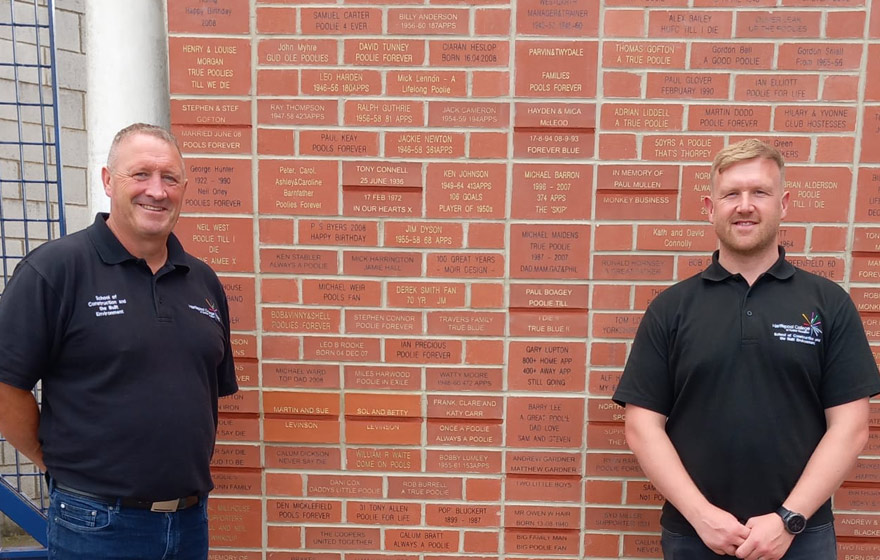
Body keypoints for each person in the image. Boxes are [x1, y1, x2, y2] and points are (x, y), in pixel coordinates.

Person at [613, 138, 880, 560]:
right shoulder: (671, 308)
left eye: (760, 192)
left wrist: (788, 518)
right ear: (710, 206)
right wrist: (702, 517)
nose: (744, 205)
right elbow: (641, 426)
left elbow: (850, 427)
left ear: (784, 203)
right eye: (731, 194)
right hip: (694, 537)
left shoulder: (827, 303)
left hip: (801, 535)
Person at [0, 123, 238, 559]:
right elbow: (3, 383)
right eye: (140, 174)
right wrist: (48, 458)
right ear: (108, 181)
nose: (157, 190)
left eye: (169, 178)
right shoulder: (56, 270)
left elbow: (200, 395)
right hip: (96, 525)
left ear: (184, 188)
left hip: (189, 522)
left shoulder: (202, 281)